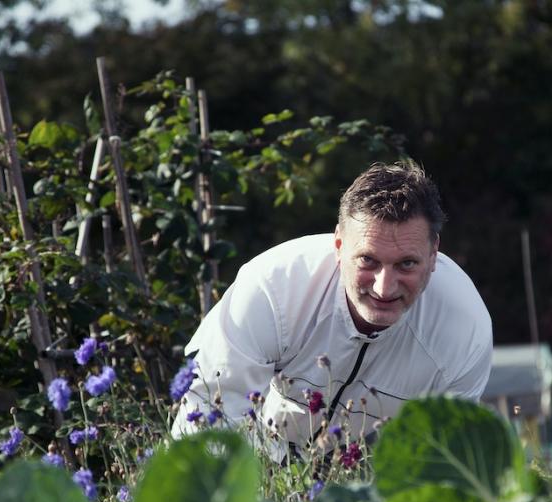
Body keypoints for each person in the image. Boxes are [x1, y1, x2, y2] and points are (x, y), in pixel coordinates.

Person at [172, 161, 493, 461]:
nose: (384, 287)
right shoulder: (273, 286)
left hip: (366, 478)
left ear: (433, 253)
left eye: (406, 264)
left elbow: (443, 460)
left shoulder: (465, 330)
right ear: (339, 246)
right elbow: (209, 415)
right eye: (368, 260)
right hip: (263, 452)